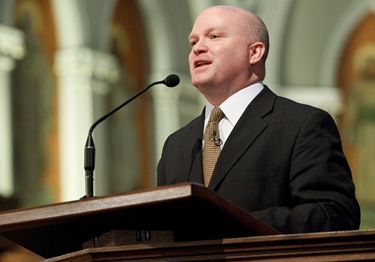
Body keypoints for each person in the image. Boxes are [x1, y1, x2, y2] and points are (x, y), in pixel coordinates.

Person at [157, 5, 360, 234]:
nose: (198, 49)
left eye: (214, 36)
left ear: (254, 52)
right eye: (193, 42)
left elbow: (335, 213)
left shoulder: (302, 125)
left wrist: (234, 223)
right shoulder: (176, 145)